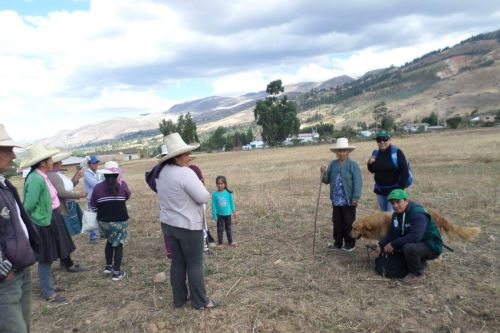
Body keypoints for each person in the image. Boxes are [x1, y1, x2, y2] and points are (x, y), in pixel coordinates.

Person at [156, 132, 217, 310]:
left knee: (177, 262)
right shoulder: (185, 173)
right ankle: (200, 302)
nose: (189, 157)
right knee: (195, 263)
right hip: (188, 225)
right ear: (177, 156)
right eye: (186, 154)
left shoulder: (161, 173)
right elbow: (203, 197)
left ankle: (179, 300)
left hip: (168, 224)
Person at [21, 144, 77, 302]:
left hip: (52, 218)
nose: (53, 161)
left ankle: (50, 285)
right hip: (44, 222)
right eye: (50, 159)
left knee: (51, 254)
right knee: (45, 257)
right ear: (43, 163)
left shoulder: (42, 176)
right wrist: (37, 222)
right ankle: (48, 293)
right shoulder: (35, 180)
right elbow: (28, 206)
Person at [0, 124, 40, 332]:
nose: (13, 155)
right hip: (5, 279)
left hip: (19, 270)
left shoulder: (4, 184)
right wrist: (2, 269)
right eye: (7, 150)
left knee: (23, 326)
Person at [374, 189, 443, 284]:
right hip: (417, 244)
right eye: (392, 203)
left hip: (431, 245)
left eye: (398, 202)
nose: (395, 206)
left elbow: (415, 237)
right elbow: (393, 233)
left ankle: (417, 274)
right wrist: (381, 245)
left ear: (406, 200)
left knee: (408, 248)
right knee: (398, 253)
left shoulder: (418, 214)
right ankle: (419, 262)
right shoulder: (396, 215)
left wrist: (393, 244)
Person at [90, 161, 131, 281]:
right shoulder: (122, 185)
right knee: (118, 244)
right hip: (119, 221)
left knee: (109, 241)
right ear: (117, 173)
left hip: (103, 222)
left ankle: (108, 266)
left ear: (104, 174)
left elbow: (93, 206)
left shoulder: (97, 187)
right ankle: (117, 273)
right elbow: (127, 196)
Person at [320, 138, 362, 251]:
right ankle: (337, 243)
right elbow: (326, 180)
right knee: (337, 222)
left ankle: (350, 243)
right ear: (336, 153)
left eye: (343, 151)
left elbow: (358, 182)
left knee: (349, 222)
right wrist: (323, 173)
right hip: (336, 200)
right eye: (339, 151)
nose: (341, 153)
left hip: (348, 200)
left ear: (348, 152)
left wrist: (355, 197)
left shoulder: (353, 165)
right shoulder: (332, 164)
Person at [48, 152, 86, 270]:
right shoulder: (53, 175)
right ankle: (66, 263)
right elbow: (62, 193)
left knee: (65, 236)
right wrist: (78, 194)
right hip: (61, 208)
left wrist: (76, 177)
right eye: (59, 161)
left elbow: (68, 186)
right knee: (64, 236)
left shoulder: (58, 174)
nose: (62, 163)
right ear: (54, 163)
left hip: (66, 205)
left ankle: (66, 261)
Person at [367, 130, 409, 212]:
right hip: (380, 191)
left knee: (391, 216)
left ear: (389, 140)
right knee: (384, 217)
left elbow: (405, 173)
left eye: (385, 139)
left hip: (394, 191)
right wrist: (369, 163)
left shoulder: (397, 153)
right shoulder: (376, 153)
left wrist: (399, 191)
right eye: (379, 140)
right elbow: (372, 170)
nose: (382, 142)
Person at [212, 175, 237, 249]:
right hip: (219, 215)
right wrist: (214, 215)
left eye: (221, 183)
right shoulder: (215, 194)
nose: (220, 185)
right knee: (220, 229)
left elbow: (232, 203)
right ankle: (220, 243)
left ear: (225, 184)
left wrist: (234, 212)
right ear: (216, 184)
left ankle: (230, 242)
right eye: (218, 184)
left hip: (228, 214)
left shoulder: (228, 193)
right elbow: (213, 205)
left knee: (228, 228)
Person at [83, 155, 103, 244]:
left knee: (101, 216)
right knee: (91, 217)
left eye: (96, 163)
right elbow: (95, 184)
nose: (96, 165)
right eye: (94, 163)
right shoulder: (87, 174)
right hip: (91, 199)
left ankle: (102, 233)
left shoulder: (99, 172)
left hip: (99, 197)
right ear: (89, 164)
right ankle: (92, 237)